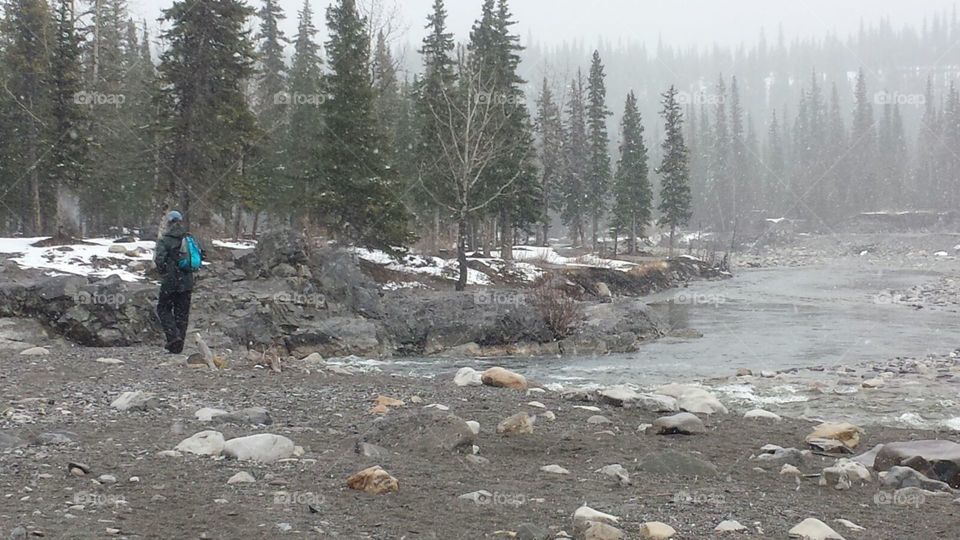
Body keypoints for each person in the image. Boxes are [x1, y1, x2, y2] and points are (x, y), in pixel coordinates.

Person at [153, 211, 196, 353]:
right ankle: (179, 346)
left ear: (168, 222)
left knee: (163, 309)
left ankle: (173, 337)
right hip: (187, 281)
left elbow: (159, 259)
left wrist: (164, 272)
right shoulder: (188, 237)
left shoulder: (165, 240)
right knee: (182, 313)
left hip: (170, 282)